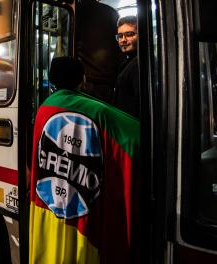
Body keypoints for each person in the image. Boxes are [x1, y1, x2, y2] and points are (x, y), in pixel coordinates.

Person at [29, 56, 140, 263]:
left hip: (53, 203)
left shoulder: (45, 107)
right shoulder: (95, 110)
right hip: (81, 212)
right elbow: (135, 137)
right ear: (82, 79)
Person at [75, 0, 120, 103]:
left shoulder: (73, 9)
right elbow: (117, 48)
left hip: (82, 81)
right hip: (107, 84)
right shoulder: (112, 13)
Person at [113, 15, 140, 118]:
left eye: (129, 34)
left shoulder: (138, 64)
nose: (123, 40)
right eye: (120, 36)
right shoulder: (130, 62)